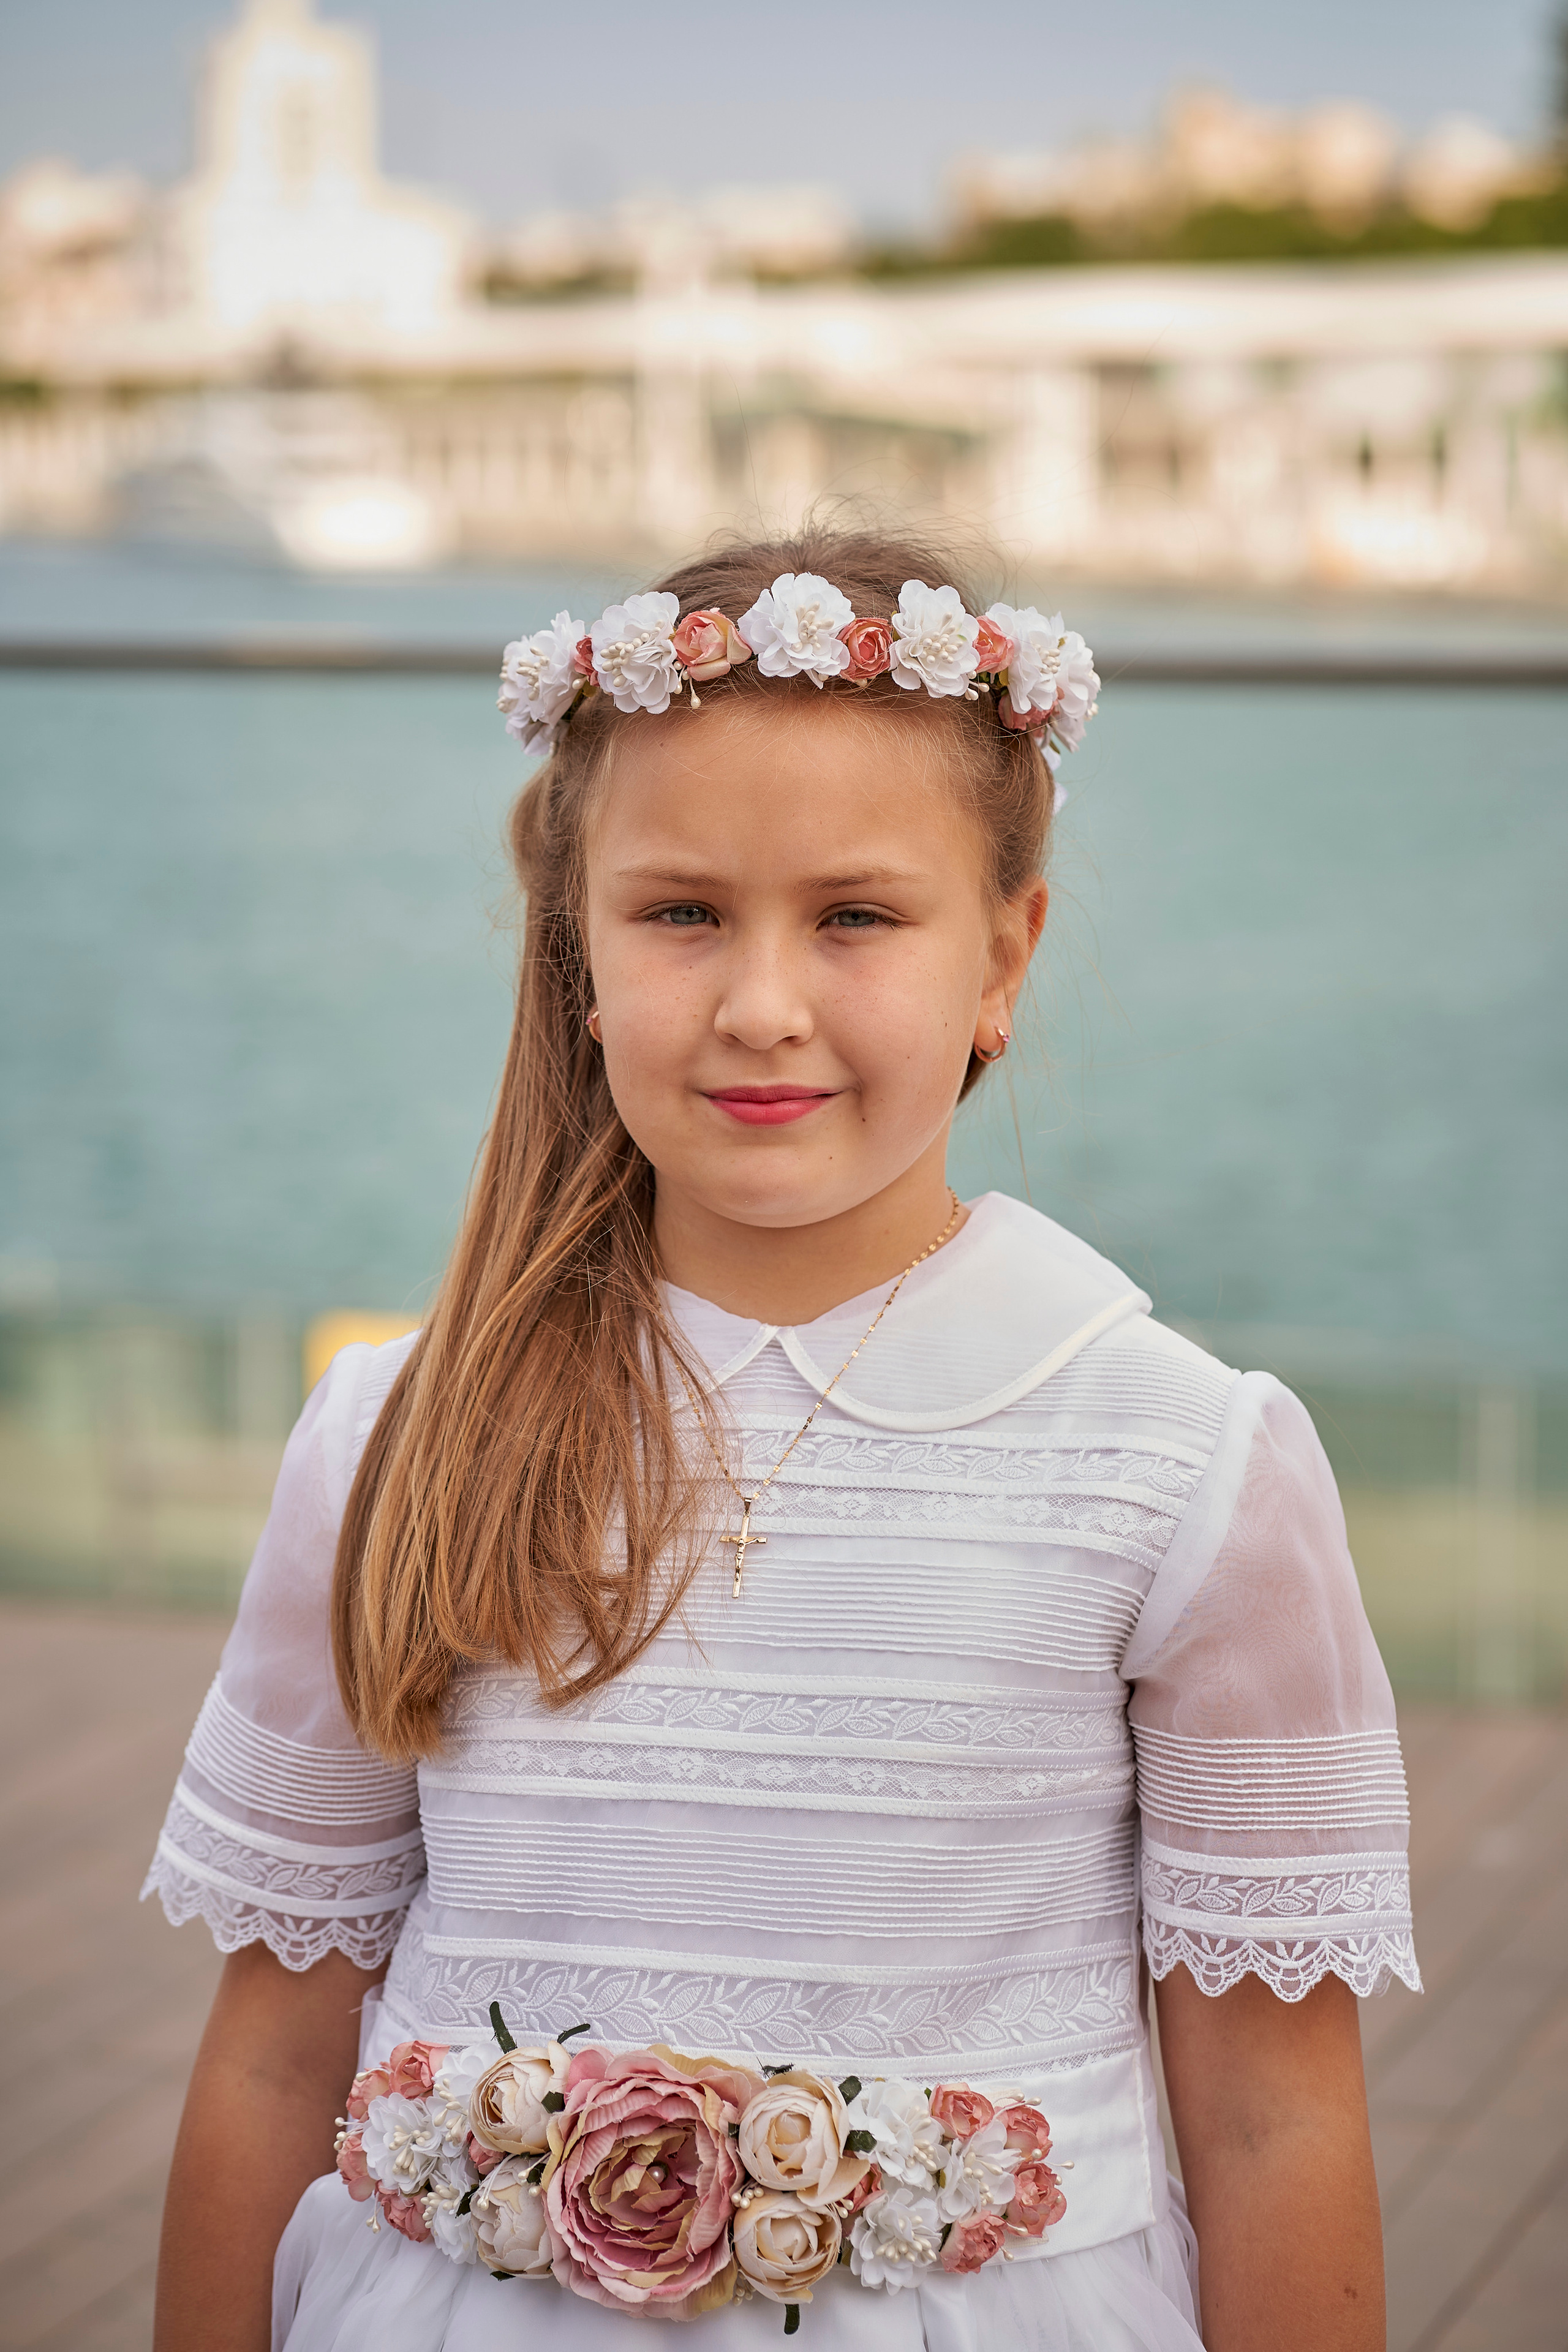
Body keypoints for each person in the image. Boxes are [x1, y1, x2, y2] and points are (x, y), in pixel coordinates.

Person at [147, 527, 1419, 2352]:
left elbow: (1275, 2115)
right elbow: (274, 2058)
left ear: (1006, 954)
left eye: (855, 916)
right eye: (681, 913)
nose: (761, 1005)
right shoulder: (397, 1435)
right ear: (576, 952)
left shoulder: (1181, 1462)